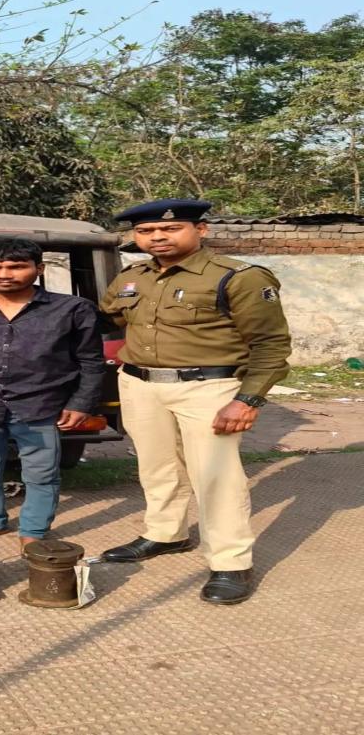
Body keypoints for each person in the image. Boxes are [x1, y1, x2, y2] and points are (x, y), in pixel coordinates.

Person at [98, 198, 291, 604]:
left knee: (216, 475)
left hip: (207, 387)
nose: (157, 237)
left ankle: (230, 561)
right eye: (146, 231)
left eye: (170, 229)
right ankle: (165, 534)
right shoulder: (132, 277)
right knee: (157, 467)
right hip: (139, 383)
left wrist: (248, 400)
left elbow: (271, 345)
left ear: (200, 230)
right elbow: (111, 319)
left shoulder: (238, 277)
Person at [0, 239, 105, 552]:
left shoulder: (73, 309)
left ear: (40, 269)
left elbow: (91, 361)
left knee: (41, 473)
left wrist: (81, 403)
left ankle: (33, 530)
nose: (4, 274)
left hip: (40, 403)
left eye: (16, 266)